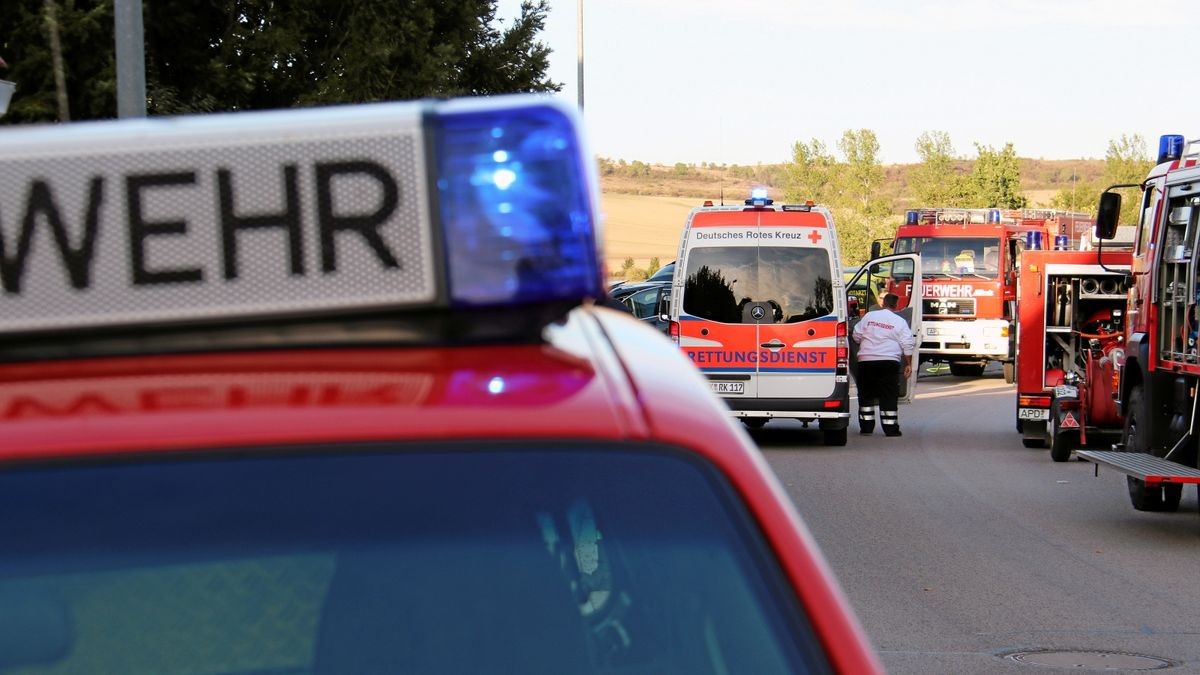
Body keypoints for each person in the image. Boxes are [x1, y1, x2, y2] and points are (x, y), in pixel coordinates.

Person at [852, 293, 915, 437]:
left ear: (883, 304)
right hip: (889, 362)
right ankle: (890, 429)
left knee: (866, 394)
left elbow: (856, 334)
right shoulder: (899, 321)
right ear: (896, 305)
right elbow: (907, 343)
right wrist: (909, 364)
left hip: (866, 361)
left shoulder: (869, 317)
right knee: (888, 395)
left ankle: (867, 428)